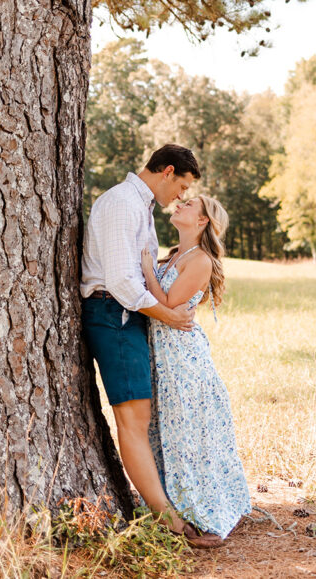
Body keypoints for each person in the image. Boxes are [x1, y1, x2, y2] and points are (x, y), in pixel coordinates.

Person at [80, 144, 223, 549]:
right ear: (168, 171)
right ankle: (170, 522)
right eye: (183, 186)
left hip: (127, 317)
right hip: (114, 316)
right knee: (133, 423)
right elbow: (124, 283)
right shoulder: (123, 203)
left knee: (142, 423)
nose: (181, 196)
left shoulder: (140, 207)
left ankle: (170, 507)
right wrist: (170, 316)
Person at [141, 195, 251, 540]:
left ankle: (198, 507)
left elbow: (169, 305)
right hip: (160, 350)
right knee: (164, 429)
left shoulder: (201, 260)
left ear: (202, 221)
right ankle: (169, 503)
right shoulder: (177, 254)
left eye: (189, 205)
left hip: (181, 355)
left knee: (184, 430)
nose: (180, 205)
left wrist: (146, 271)